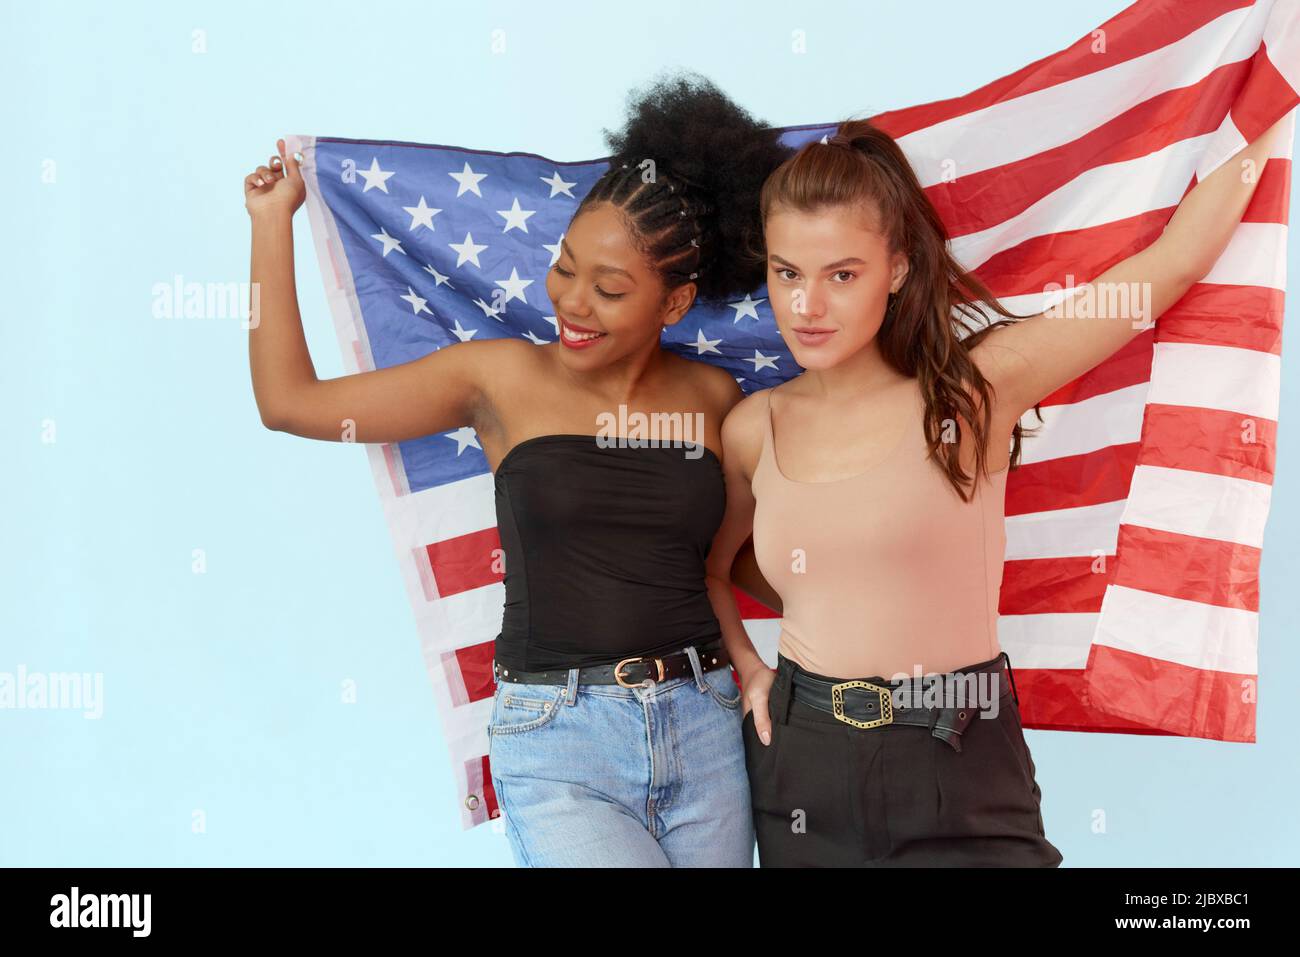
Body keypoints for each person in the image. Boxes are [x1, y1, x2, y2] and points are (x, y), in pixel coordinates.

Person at [704, 114, 1286, 867]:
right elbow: (709, 567)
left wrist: (1275, 91)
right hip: (802, 766)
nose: (807, 306)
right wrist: (751, 668)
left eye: (842, 274)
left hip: (959, 756)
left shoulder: (970, 395)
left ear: (900, 267)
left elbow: (1167, 268)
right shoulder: (753, 428)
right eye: (788, 273)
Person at [243, 72, 788, 867]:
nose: (570, 301)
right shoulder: (496, 378)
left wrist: (843, 621)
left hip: (705, 722)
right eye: (565, 266)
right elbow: (288, 401)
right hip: (560, 738)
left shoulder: (712, 394)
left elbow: (722, 564)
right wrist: (269, 226)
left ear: (675, 305)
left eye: (609, 289)